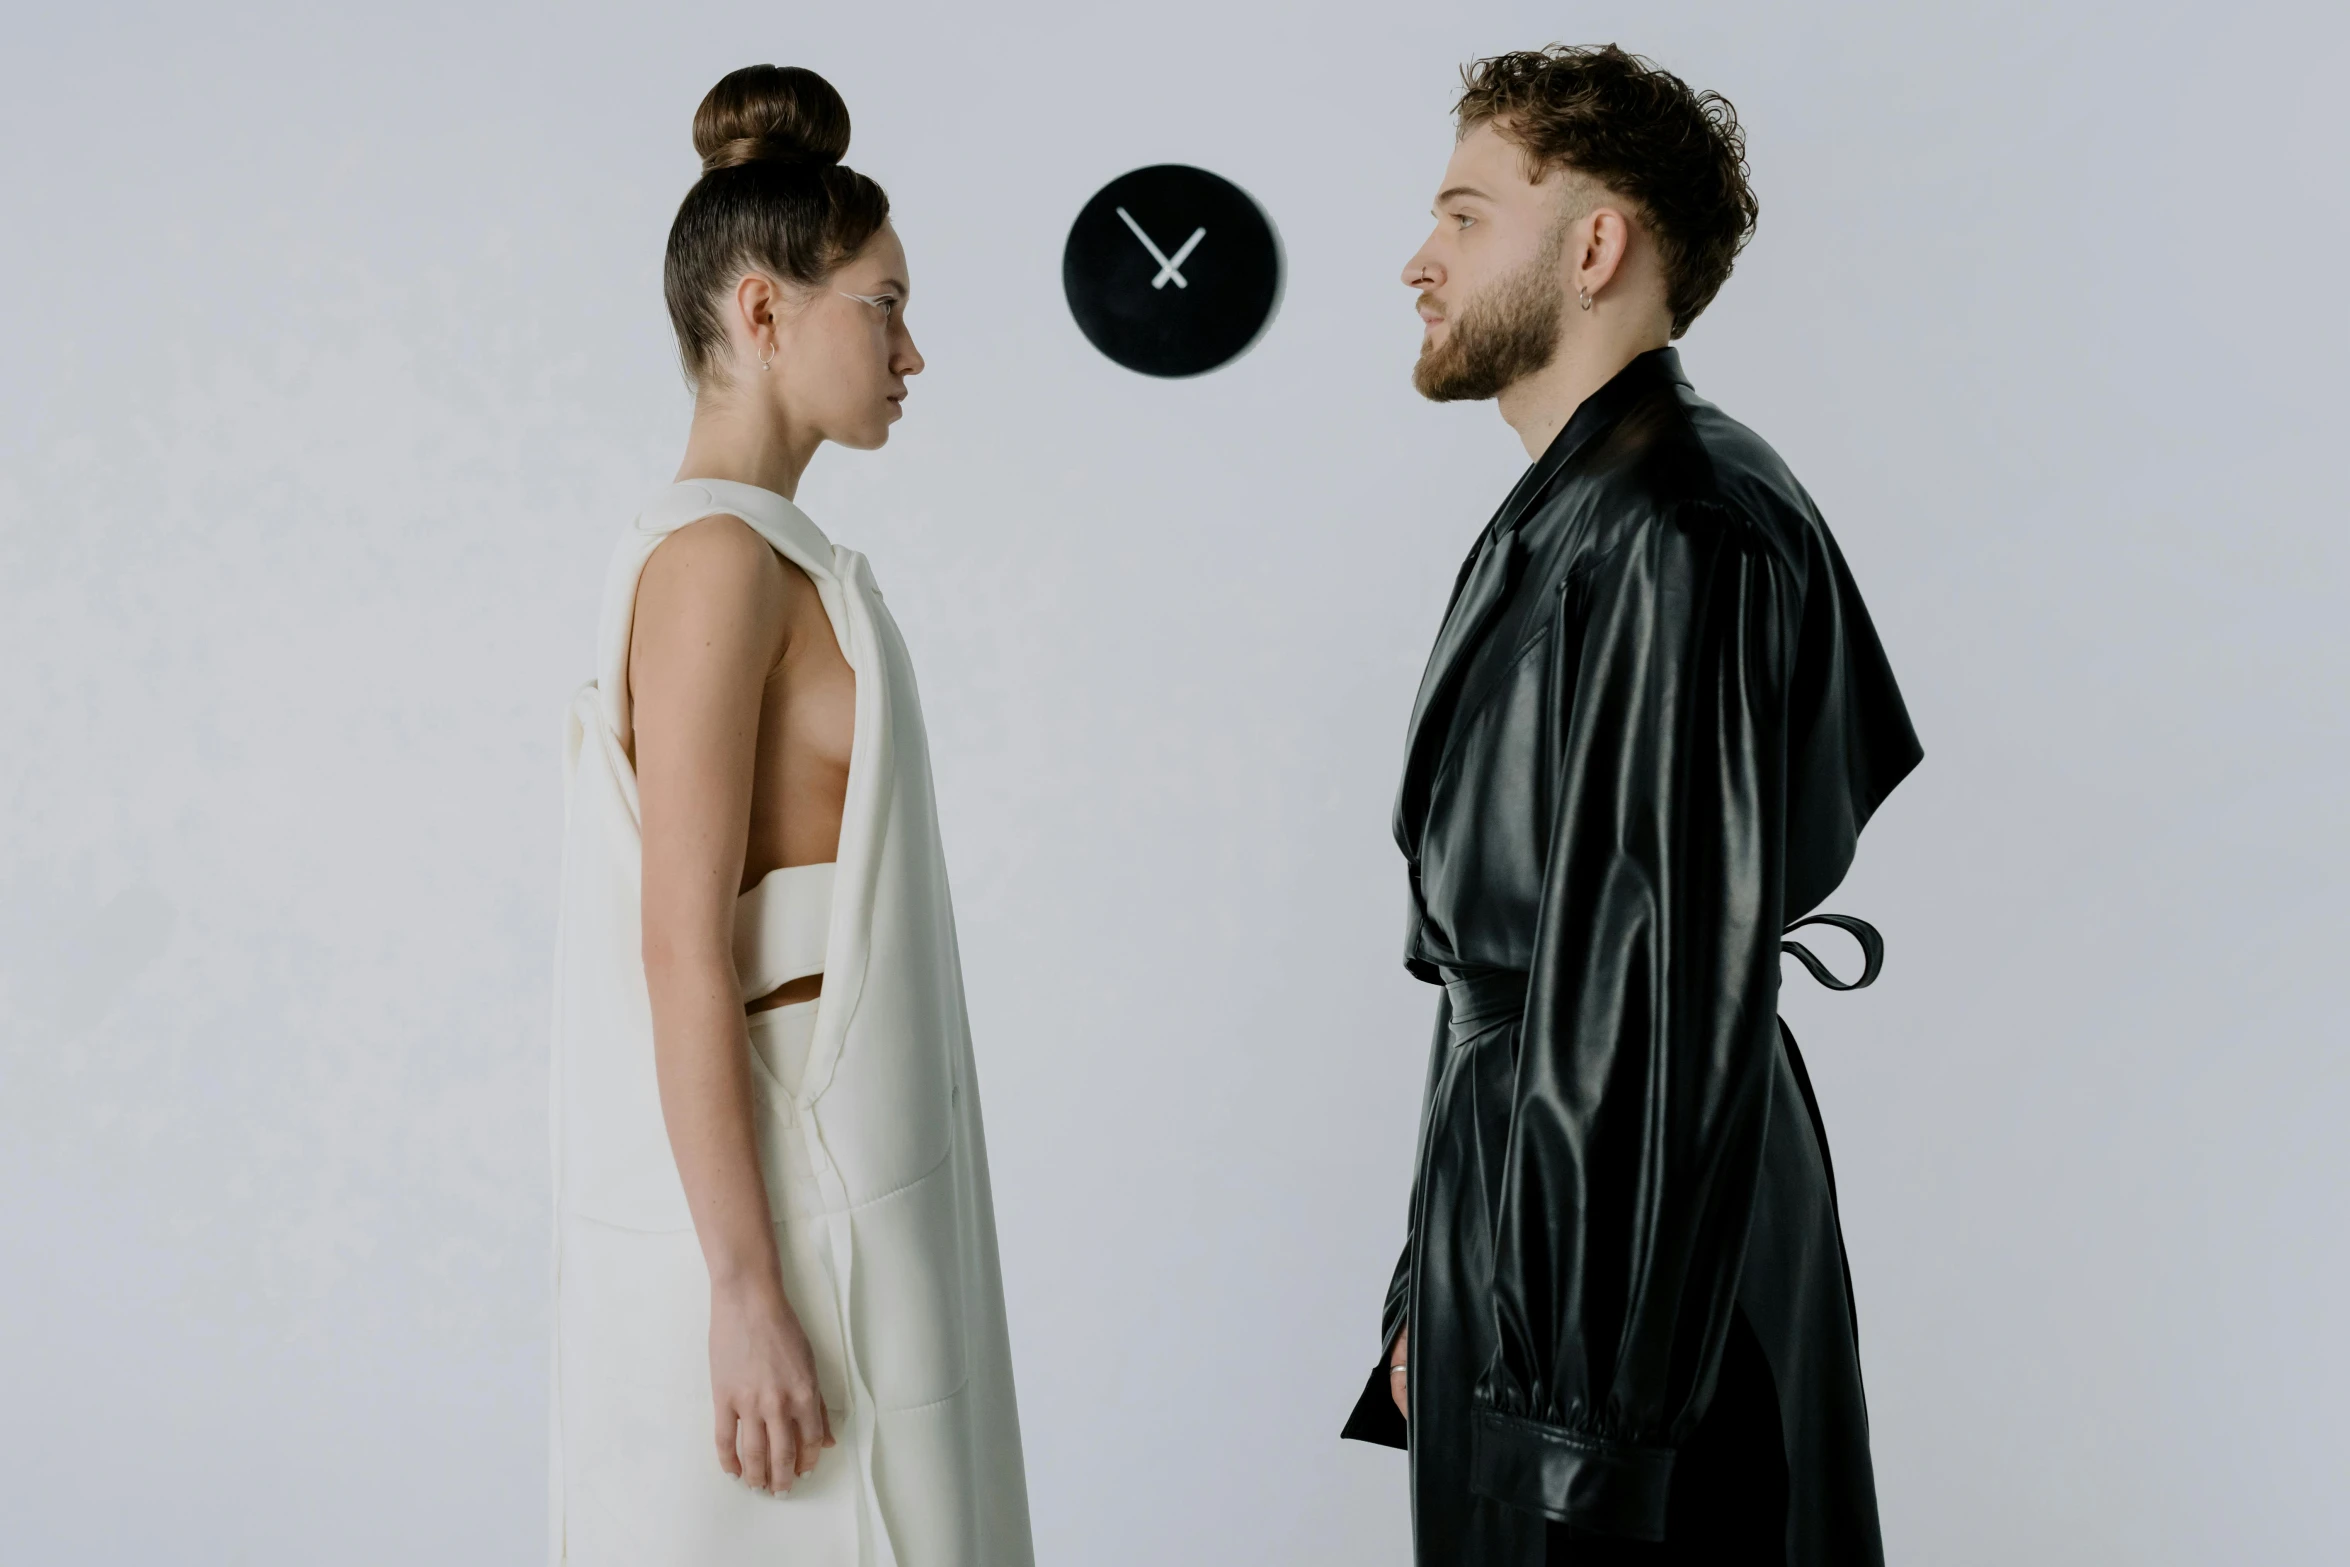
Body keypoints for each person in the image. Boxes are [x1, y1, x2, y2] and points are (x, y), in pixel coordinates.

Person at [1340, 46, 1923, 1567]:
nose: (1419, 258)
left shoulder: (1675, 527)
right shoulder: (1572, 514)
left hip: (1626, 1295)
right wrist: (1435, 1280)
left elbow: (1646, 1006)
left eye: (1464, 215)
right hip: (1547, 1247)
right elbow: (1515, 978)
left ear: (1592, 244)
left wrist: (1570, 1418)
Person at [548, 65, 1032, 1567]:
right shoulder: (715, 566)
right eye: (882, 307)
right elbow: (680, 944)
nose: (912, 351)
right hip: (797, 1217)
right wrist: (744, 1291)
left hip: (855, 1194)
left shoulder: (781, 557)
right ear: (763, 314)